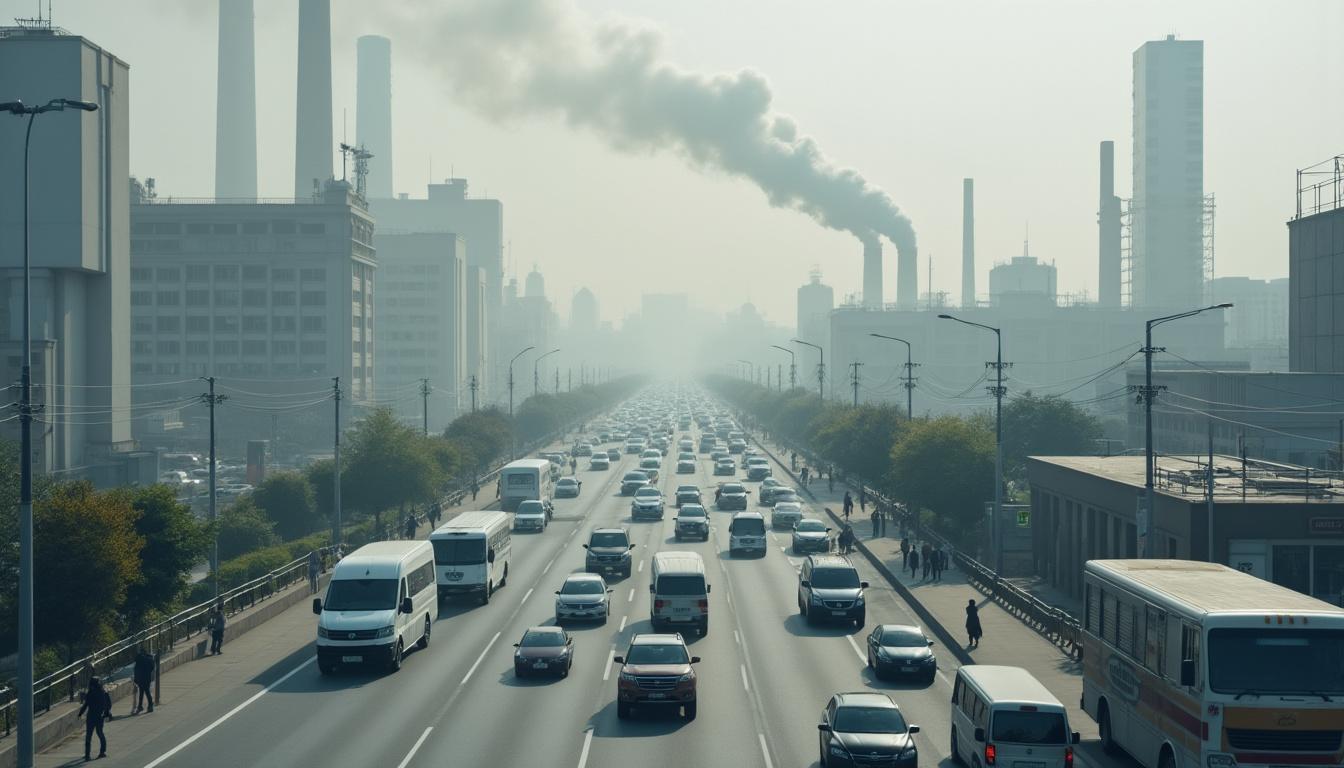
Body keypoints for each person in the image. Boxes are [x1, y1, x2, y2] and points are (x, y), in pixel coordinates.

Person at [78, 676, 110, 761]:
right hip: (99, 716)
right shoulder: (102, 692)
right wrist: (106, 714)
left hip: (91, 716)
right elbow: (105, 705)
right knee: (100, 733)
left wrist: (80, 713)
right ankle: (102, 752)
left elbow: (86, 704)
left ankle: (87, 755)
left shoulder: (90, 693)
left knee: (89, 735)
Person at [132, 648, 154, 715]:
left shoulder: (138, 659)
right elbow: (152, 668)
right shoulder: (149, 659)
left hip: (140, 678)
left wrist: (135, 679)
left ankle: (141, 706)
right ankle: (148, 705)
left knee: (142, 692)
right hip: (147, 678)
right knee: (146, 691)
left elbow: (136, 670)